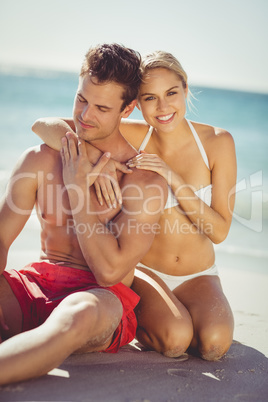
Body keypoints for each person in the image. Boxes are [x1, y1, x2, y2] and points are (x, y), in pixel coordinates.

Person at [32, 50, 237, 361]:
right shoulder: (132, 136)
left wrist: (172, 178)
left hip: (199, 274)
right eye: (150, 98)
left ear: (185, 88)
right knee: (174, 342)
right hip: (145, 271)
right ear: (135, 105)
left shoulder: (217, 142)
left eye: (171, 93)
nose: (163, 107)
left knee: (213, 345)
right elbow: (43, 126)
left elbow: (219, 231)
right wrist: (91, 161)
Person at [0, 44, 167, 385]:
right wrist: (85, 160)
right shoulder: (40, 159)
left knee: (77, 315)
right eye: (81, 100)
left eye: (102, 107)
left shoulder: (144, 182)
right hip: (36, 283)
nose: (84, 116)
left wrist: (77, 188)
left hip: (100, 301)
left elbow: (109, 272)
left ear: (128, 108)